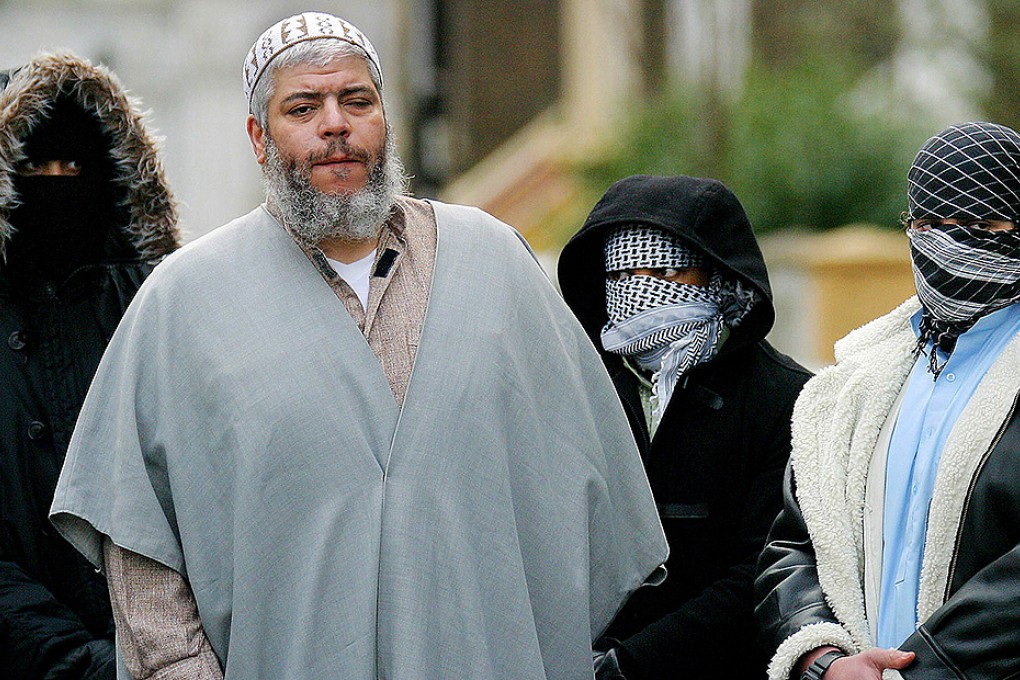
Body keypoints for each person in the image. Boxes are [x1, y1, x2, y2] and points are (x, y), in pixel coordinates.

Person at [48, 12, 667, 679]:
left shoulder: (495, 263)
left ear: (385, 122)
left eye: (357, 101)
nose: (335, 124)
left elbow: (591, 493)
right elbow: (142, 549)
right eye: (303, 107)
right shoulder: (181, 305)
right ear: (259, 138)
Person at [756, 121, 1020, 680]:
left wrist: (921, 670)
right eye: (932, 224)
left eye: (983, 224)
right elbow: (797, 543)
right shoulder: (853, 384)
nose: (952, 243)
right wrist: (821, 659)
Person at [557, 175, 811, 679]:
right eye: (623, 273)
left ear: (716, 275)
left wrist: (631, 662)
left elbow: (766, 568)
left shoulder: (786, 398)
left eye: (664, 271)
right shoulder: (576, 383)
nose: (639, 289)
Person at [0, 52, 179, 678]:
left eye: (73, 165)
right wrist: (80, 664)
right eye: (32, 167)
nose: (55, 182)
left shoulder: (159, 310)